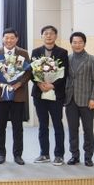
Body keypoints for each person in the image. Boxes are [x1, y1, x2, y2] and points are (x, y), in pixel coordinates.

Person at [0, 27, 31, 165]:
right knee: (0, 126)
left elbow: (28, 72)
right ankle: (1, 154)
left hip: (18, 95)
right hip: (1, 95)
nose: (9, 40)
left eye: (12, 38)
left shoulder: (23, 53)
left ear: (16, 39)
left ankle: (18, 155)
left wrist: (19, 84)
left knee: (17, 127)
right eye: (6, 38)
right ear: (3, 39)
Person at [30, 25, 70, 166]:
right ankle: (44, 154)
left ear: (56, 36)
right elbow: (32, 72)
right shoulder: (36, 52)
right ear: (42, 36)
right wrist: (39, 83)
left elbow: (64, 73)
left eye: (51, 33)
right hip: (39, 94)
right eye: (46, 33)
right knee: (43, 125)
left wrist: (52, 85)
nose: (48, 36)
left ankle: (59, 155)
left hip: (56, 94)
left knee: (57, 124)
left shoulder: (62, 52)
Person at [64, 31, 94, 167]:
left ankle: (88, 157)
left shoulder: (92, 59)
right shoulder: (67, 59)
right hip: (70, 100)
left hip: (87, 100)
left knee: (88, 130)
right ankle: (74, 155)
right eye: (74, 42)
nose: (77, 45)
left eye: (80, 42)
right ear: (71, 44)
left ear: (84, 43)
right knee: (72, 130)